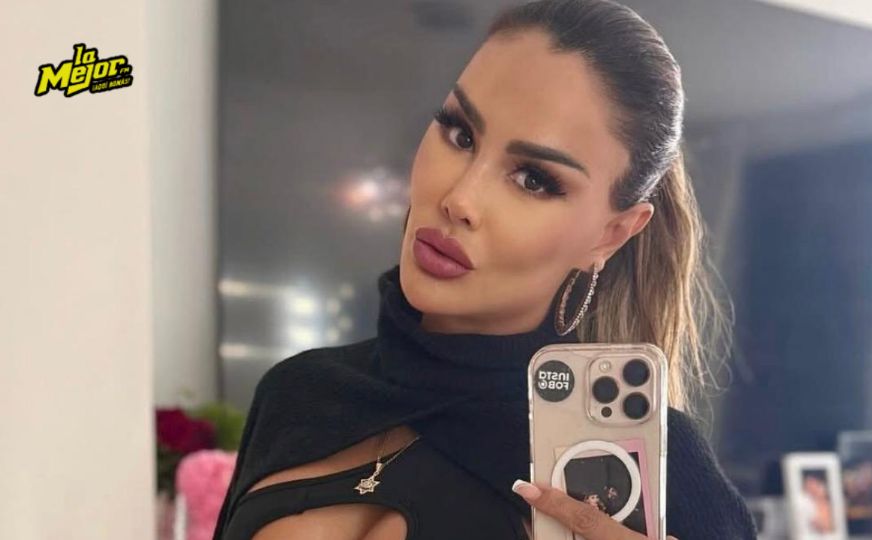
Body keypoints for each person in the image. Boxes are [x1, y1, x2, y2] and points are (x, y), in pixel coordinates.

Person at [212, 0, 758, 538]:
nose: (460, 199)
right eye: (460, 134)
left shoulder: (662, 471)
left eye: (534, 179)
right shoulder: (299, 393)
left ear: (610, 234)